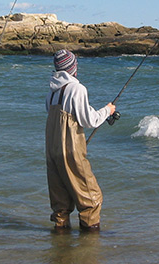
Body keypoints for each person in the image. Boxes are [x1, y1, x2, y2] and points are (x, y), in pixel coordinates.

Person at [45, 49, 117, 232]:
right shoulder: (77, 88)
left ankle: (61, 243)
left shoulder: (52, 92)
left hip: (52, 151)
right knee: (91, 199)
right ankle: (88, 245)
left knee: (60, 202)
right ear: (72, 67)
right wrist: (107, 111)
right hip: (70, 150)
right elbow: (89, 120)